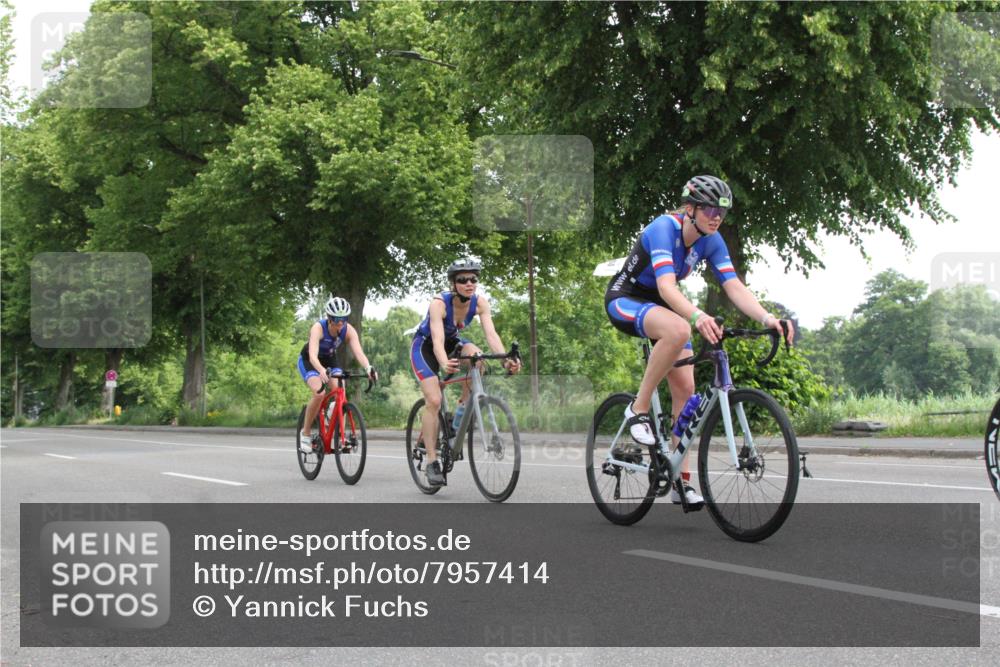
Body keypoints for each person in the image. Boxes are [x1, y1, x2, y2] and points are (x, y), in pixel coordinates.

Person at [604, 175, 794, 505]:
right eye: (708, 209)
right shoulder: (664, 228)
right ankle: (638, 409)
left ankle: (681, 480)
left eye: (721, 211)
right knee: (679, 329)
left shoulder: (712, 239)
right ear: (690, 208)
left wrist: (767, 318)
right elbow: (665, 287)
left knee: (686, 391)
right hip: (627, 298)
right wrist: (697, 317)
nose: (716, 217)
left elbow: (733, 286)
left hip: (663, 305)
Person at [410, 259, 522, 486]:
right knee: (434, 399)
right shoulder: (439, 304)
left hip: (453, 343)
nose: (469, 283)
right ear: (453, 283)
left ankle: (457, 422)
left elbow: (491, 335)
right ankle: (432, 461)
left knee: (478, 360)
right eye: (463, 280)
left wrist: (505, 360)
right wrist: (443, 362)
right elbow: (438, 340)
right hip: (426, 347)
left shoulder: (480, 303)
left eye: (473, 279)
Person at [298, 296, 378, 453]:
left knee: (339, 389)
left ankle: (336, 426)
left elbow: (358, 353)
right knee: (319, 393)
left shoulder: (348, 330)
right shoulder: (318, 328)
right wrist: (321, 370)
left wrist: (368, 367)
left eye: (343, 319)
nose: (340, 323)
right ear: (329, 318)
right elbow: (313, 356)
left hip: (329, 358)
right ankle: (305, 433)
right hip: (310, 360)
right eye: (336, 319)